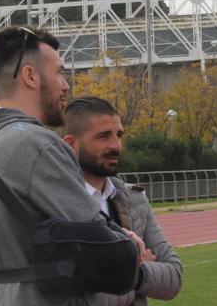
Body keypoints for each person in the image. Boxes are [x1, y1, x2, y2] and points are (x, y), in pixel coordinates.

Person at [0, 27, 144, 305]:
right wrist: (129, 244)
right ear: (30, 76)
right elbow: (98, 240)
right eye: (59, 72)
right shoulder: (37, 144)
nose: (65, 85)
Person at [63, 97, 183, 305]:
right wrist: (136, 270)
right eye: (103, 136)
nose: (116, 145)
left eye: (119, 135)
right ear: (71, 145)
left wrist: (122, 274)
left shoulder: (134, 200)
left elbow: (174, 277)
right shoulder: (56, 204)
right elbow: (82, 297)